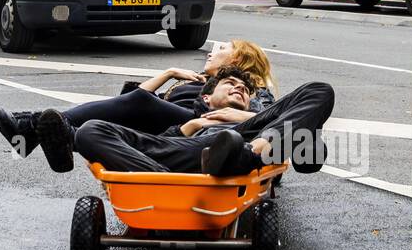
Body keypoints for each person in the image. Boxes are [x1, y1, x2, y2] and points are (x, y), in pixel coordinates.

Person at [0, 38, 276, 160]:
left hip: (201, 128)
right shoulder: (199, 80)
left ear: (238, 60)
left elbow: (262, 115)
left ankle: (35, 125)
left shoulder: (249, 87)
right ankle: (55, 132)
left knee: (139, 103)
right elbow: (128, 99)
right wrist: (170, 73)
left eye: (223, 48)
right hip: (170, 127)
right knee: (133, 103)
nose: (213, 50)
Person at [45, 70, 335, 177]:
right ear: (207, 98)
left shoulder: (259, 116)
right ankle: (160, 181)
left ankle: (252, 152)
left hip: (245, 140)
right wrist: (194, 125)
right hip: (181, 151)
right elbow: (168, 137)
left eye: (245, 90)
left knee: (320, 89)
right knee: (90, 130)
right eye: (230, 84)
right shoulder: (193, 115)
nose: (240, 89)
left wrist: (245, 118)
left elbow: (310, 160)